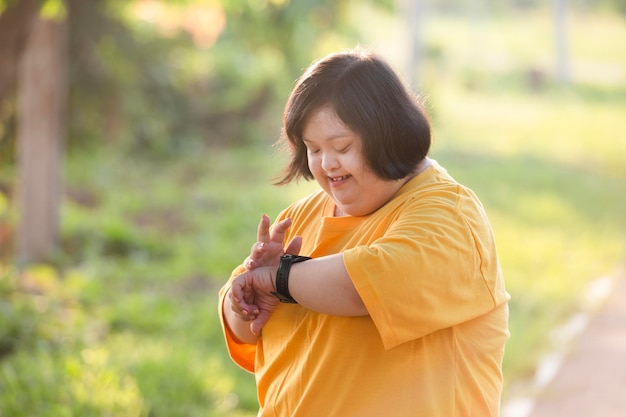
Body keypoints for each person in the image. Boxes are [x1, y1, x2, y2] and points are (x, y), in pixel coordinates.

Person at [218, 48, 510, 417]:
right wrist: (245, 301)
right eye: (313, 149)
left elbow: (363, 288)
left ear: (389, 135)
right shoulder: (299, 217)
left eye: (341, 147)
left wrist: (277, 278)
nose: (326, 164)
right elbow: (244, 328)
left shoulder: (449, 217)